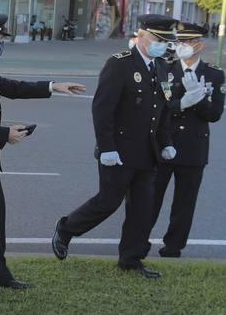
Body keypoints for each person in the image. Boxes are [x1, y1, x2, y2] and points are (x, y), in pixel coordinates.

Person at [0, 13, 85, 289]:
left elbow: (10, 87)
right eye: (1, 39)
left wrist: (54, 87)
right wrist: (5, 134)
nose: (2, 44)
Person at [52, 15, 178, 279]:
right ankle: (66, 229)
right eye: (157, 39)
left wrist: (165, 143)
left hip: (148, 152)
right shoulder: (119, 64)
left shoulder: (163, 67)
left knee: (142, 209)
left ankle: (130, 260)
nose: (161, 46)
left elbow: (163, 110)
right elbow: (102, 109)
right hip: (118, 152)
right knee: (108, 202)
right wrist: (107, 147)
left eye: (165, 42)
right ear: (141, 35)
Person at [150, 22, 225, 257]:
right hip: (165, 143)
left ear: (199, 45)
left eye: (187, 42)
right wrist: (182, 103)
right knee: (150, 197)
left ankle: (173, 246)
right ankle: (138, 239)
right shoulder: (166, 70)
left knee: (184, 202)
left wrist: (199, 100)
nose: (182, 46)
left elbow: (215, 114)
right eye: (180, 42)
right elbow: (162, 107)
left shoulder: (214, 74)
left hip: (194, 146)